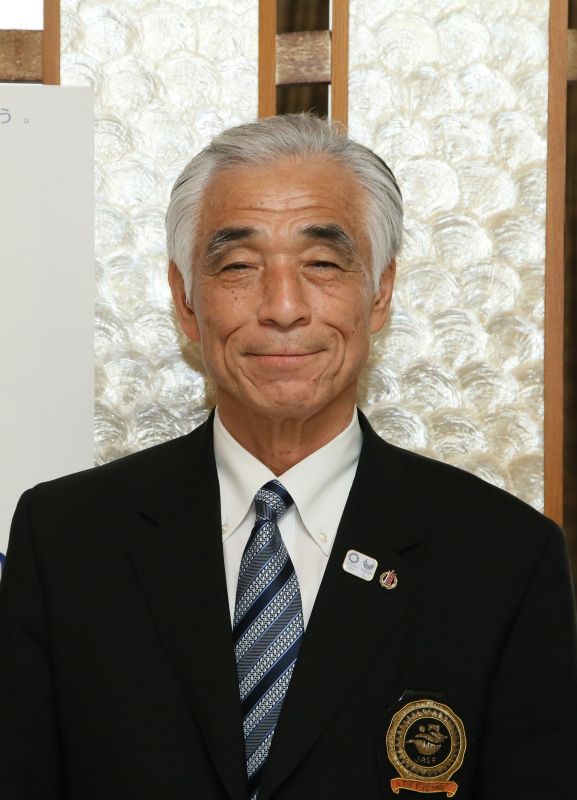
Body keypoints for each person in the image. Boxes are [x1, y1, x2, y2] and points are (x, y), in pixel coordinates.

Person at [0, 113, 576, 800]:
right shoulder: (65, 540)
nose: (282, 307)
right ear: (185, 301)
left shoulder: (504, 559)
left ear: (380, 292)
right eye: (238, 266)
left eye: (322, 264)